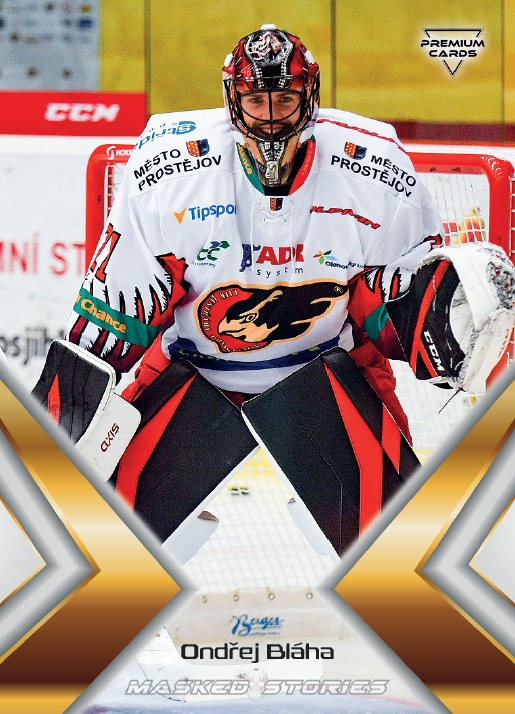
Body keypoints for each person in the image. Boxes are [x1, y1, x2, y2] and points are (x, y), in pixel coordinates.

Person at [31, 24, 515, 555]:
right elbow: (113, 314)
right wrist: (57, 425)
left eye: (284, 99)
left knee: (392, 550)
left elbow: (392, 307)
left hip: (326, 369)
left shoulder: (375, 169)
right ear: (232, 99)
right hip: (195, 367)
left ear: (310, 98)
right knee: (107, 546)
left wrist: (446, 325)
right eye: (255, 100)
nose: (269, 116)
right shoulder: (170, 170)